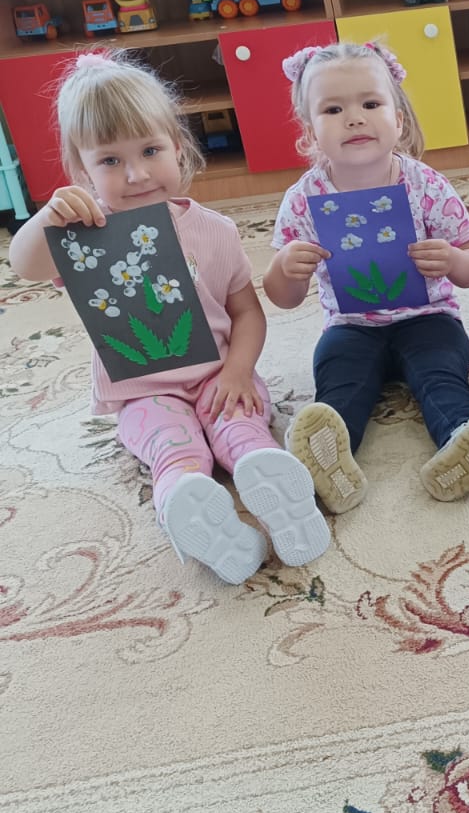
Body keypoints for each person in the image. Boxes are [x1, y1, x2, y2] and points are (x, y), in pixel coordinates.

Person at [8, 50, 329, 584]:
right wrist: (48, 217)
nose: (136, 174)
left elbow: (246, 312)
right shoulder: (82, 239)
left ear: (178, 147)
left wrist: (238, 370)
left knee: (241, 423)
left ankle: (265, 474)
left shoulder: (215, 230)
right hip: (143, 391)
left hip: (217, 375)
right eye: (110, 161)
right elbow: (24, 266)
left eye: (150, 150)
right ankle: (187, 501)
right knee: (170, 446)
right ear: (82, 172)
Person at [264, 39, 469, 506]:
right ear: (309, 133)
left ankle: (463, 439)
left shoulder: (426, 184)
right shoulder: (304, 199)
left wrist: (454, 260)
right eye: (333, 109)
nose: (354, 118)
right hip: (350, 326)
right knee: (339, 382)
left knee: (440, 375)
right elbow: (282, 296)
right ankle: (327, 466)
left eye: (370, 104)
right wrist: (287, 267)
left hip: (430, 318)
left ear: (398, 119)